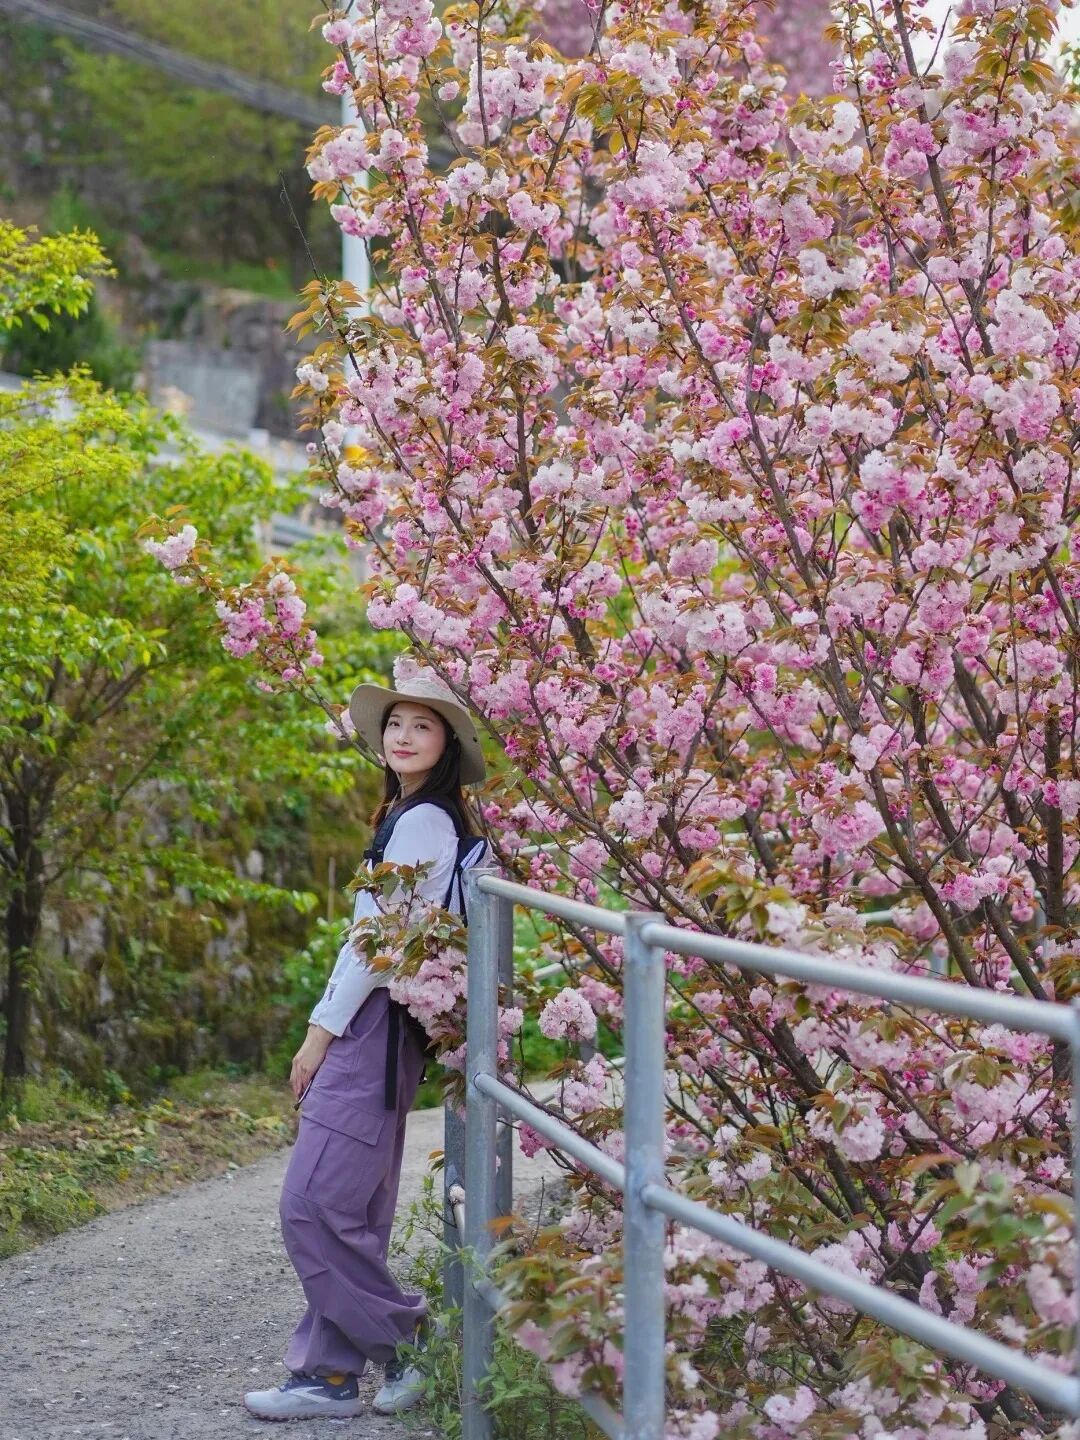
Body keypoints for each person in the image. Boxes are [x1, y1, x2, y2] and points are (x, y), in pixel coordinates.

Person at [244, 671, 487, 1422]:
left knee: (310, 1207)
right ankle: (329, 1375)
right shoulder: (416, 815)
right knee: (349, 1209)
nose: (403, 735)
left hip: (373, 1026)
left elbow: (376, 944)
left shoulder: (421, 823)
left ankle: (408, 1338)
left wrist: (319, 1035)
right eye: (395, 724)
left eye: (423, 724)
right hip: (394, 1031)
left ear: (447, 743)